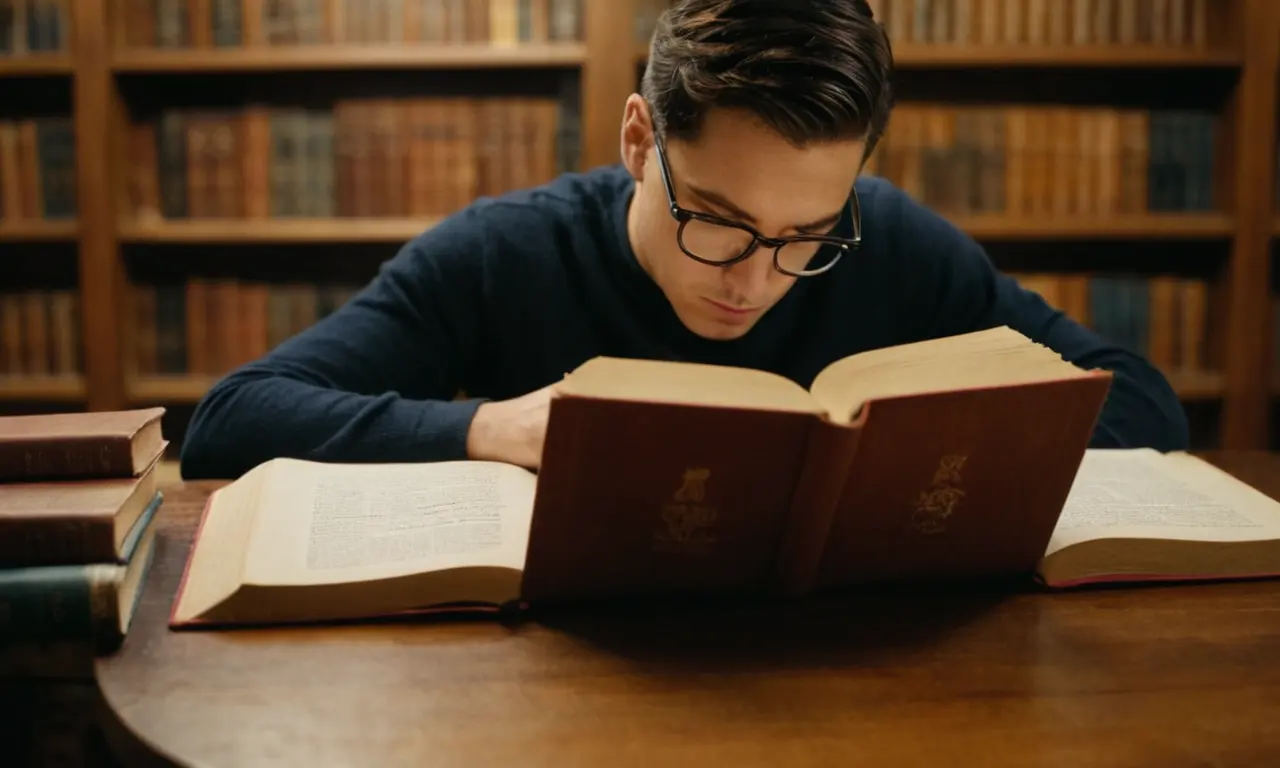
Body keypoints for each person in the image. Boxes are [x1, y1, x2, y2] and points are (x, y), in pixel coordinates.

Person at [179, 0, 1189, 480]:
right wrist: (493, 429)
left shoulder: (892, 242)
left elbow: (1139, 398)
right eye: (716, 220)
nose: (754, 280)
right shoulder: (502, 253)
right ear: (637, 139)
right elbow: (231, 418)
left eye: (806, 236)